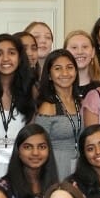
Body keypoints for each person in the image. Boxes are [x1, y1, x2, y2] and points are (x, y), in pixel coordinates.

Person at [0, 34, 36, 181]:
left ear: (19, 57)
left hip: (20, 166)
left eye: (11, 53)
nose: (6, 58)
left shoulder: (30, 91)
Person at [0, 123, 58, 198]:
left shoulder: (56, 187)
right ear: (18, 151)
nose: (35, 153)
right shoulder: (3, 188)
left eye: (42, 147)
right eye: (28, 147)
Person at [35, 49, 84, 182]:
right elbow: (39, 143)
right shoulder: (48, 107)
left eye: (70, 67)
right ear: (49, 75)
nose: (65, 73)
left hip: (81, 165)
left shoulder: (81, 103)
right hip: (55, 167)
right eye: (58, 68)